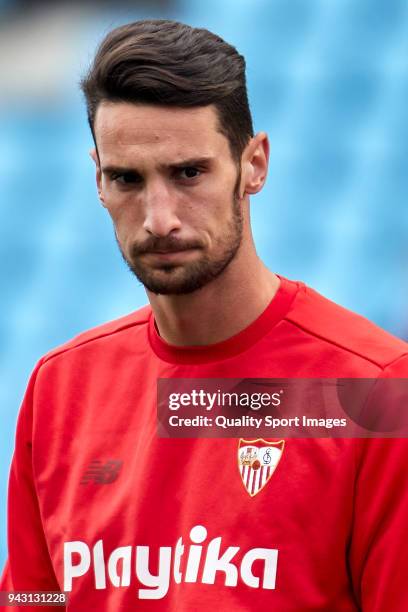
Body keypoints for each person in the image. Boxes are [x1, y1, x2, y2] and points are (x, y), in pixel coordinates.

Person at [1, 19, 407, 611]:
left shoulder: (370, 390)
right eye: (127, 179)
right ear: (97, 180)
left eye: (188, 173)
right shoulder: (60, 388)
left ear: (254, 165)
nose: (159, 217)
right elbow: (32, 601)